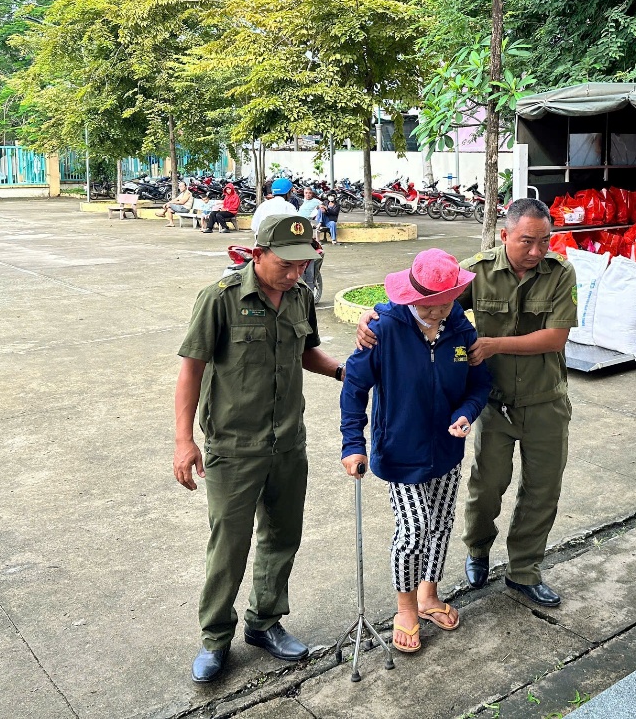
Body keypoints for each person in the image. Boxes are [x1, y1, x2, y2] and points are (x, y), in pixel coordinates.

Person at [356, 198, 576, 607]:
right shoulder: (477, 271)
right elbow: (433, 302)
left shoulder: (560, 274)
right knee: (487, 487)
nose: (536, 250)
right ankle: (478, 552)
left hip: (546, 401)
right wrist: (376, 314)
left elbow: (555, 337)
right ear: (504, 235)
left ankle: (524, 570)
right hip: (493, 403)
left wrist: (492, 345)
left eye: (544, 241)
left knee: (542, 490)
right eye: (527, 241)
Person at [174, 214, 346, 683]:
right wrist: (184, 440)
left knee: (282, 536)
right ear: (258, 254)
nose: (295, 274)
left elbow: (306, 351)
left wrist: (339, 372)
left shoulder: (301, 299)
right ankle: (214, 639)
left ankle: (265, 623)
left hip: (289, 442)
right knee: (228, 547)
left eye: (303, 265)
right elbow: (191, 370)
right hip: (233, 446)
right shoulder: (221, 299)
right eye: (286, 264)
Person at [340, 249, 491, 654]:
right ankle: (404, 607)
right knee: (413, 531)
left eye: (448, 301)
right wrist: (352, 443)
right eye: (431, 303)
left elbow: (479, 384)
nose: (440, 310)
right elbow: (354, 387)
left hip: (446, 449)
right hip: (399, 451)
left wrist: (465, 413)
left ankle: (428, 595)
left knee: (440, 525)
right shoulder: (383, 327)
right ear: (411, 296)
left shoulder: (460, 328)